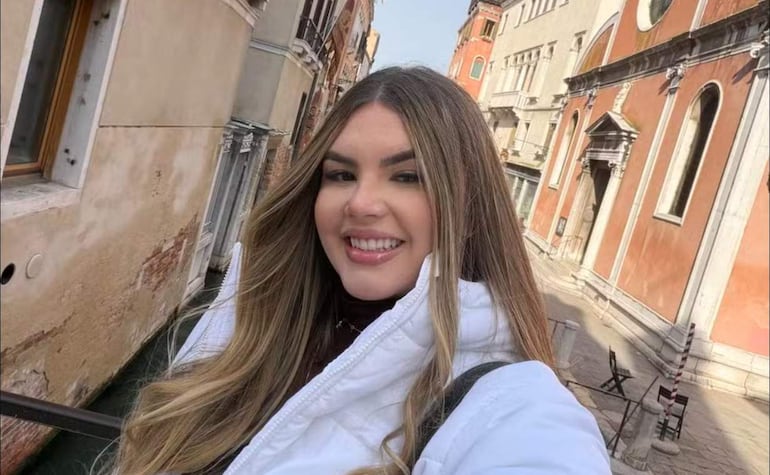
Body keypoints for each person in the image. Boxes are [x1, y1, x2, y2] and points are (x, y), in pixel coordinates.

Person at [111, 66, 610, 474]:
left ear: (470, 203)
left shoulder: (514, 408)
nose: (361, 203)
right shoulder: (250, 311)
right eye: (341, 174)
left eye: (408, 177)